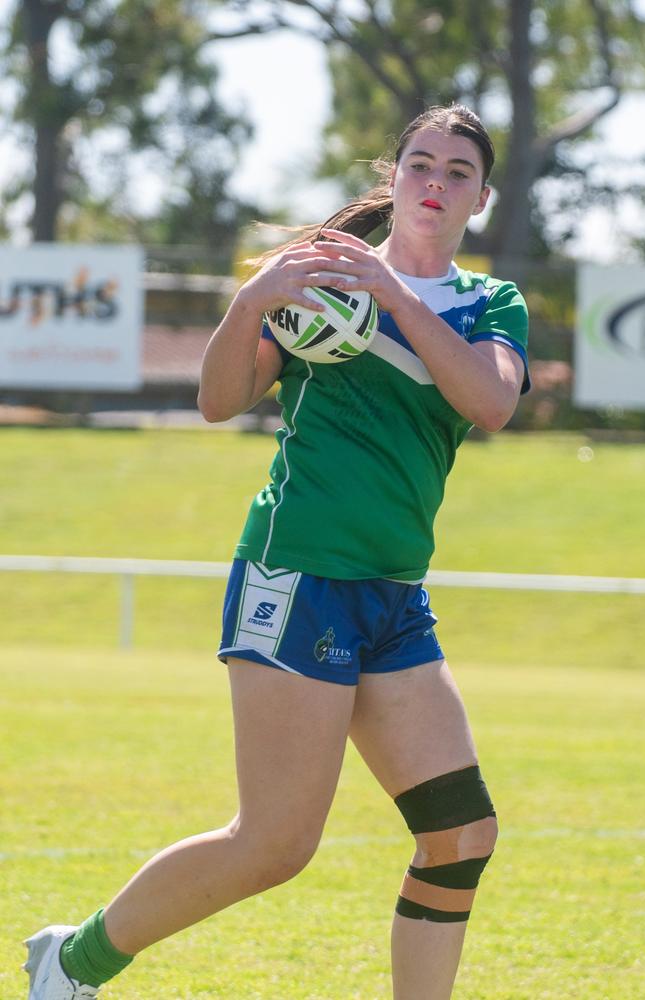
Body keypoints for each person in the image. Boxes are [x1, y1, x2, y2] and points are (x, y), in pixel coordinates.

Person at [24, 103, 529, 1000]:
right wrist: (254, 299)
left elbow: (489, 403)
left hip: (394, 594)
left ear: (480, 198)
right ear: (396, 175)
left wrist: (395, 297)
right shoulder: (316, 284)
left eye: (458, 172)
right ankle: (74, 961)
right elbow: (219, 400)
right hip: (297, 576)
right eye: (421, 163)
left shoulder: (489, 305)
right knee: (275, 845)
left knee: (459, 835)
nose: (436, 182)